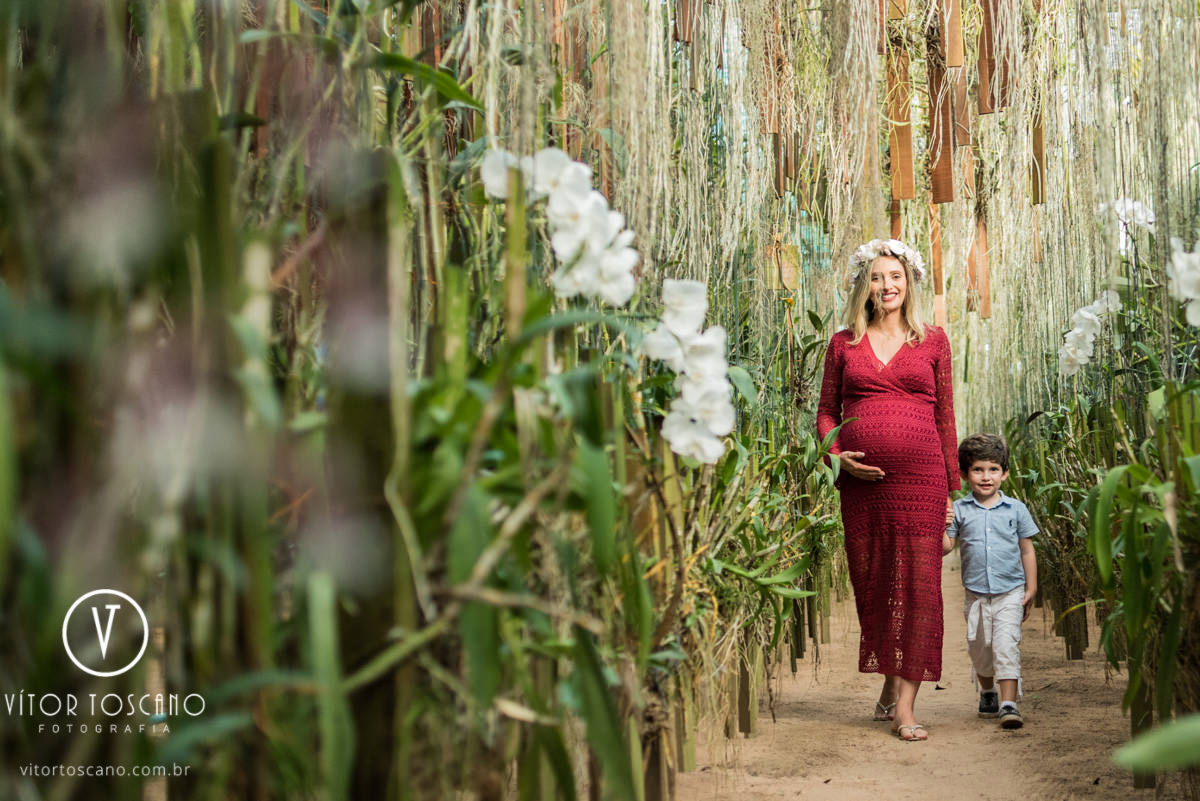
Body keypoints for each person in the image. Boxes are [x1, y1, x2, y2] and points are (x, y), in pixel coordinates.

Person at [816, 238, 960, 742]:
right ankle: (889, 678)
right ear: (864, 285)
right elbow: (826, 413)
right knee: (874, 582)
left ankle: (905, 708)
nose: (886, 285)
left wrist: (952, 495)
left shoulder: (933, 341)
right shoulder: (843, 343)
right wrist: (837, 458)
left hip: (922, 481)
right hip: (862, 489)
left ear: (909, 282)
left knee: (919, 587)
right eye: (876, 277)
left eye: (895, 276)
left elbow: (946, 418)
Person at [942, 433, 1039, 729]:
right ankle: (987, 691)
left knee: (1006, 645)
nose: (986, 477)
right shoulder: (960, 510)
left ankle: (1009, 704)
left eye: (993, 469)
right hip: (976, 595)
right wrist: (940, 521)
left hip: (1010, 591)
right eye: (978, 470)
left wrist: (1032, 586)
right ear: (964, 474)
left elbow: (1026, 549)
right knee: (980, 648)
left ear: (1005, 473)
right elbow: (946, 547)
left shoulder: (1016, 509)